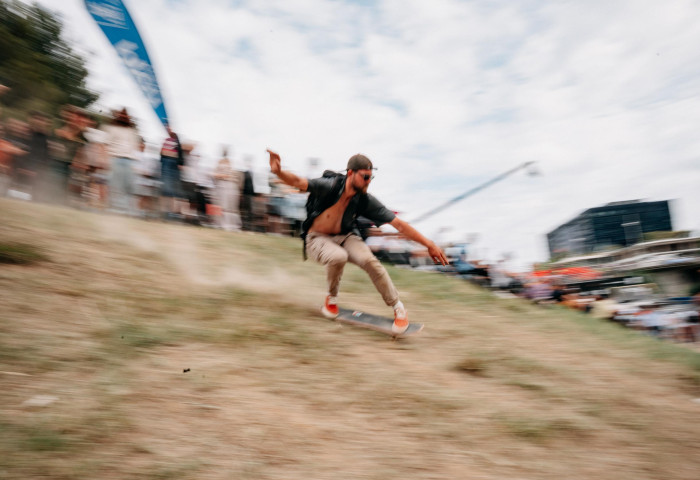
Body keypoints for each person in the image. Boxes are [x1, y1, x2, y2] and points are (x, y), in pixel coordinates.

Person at [267, 150, 448, 333]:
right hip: (317, 239)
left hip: (346, 236)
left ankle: (398, 308)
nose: (368, 182)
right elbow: (299, 182)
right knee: (339, 257)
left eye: (371, 177)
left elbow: (399, 225)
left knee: (370, 261)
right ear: (351, 173)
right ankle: (331, 299)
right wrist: (278, 172)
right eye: (365, 177)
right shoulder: (329, 186)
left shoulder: (364, 200)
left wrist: (430, 245)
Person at [102, 108, 140, 214]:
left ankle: (127, 208)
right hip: (116, 158)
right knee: (115, 184)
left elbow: (134, 147)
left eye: (126, 116)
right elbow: (106, 144)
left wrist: (135, 161)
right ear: (118, 117)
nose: (124, 117)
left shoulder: (132, 131)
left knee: (129, 185)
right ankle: (113, 207)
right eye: (122, 115)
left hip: (129, 160)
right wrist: (106, 159)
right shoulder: (112, 128)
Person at [213, 148, 242, 231]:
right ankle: (221, 223)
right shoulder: (220, 162)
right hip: (221, 186)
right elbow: (216, 174)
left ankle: (231, 225)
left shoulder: (229, 163)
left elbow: (229, 175)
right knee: (222, 205)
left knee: (230, 206)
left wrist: (221, 176)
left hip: (229, 186)